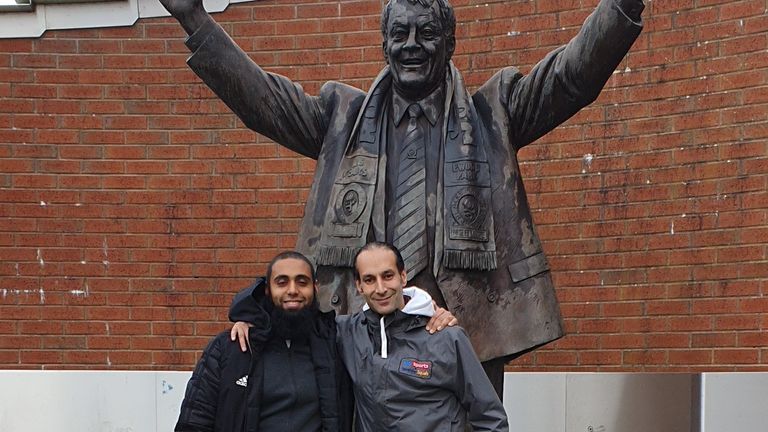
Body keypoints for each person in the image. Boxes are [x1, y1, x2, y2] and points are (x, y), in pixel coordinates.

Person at [159, 0, 645, 395]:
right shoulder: (341, 119)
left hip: (464, 326)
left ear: (450, 43)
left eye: (426, 33)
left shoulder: (493, 112)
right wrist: (195, 18)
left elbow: (570, 77)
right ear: (384, 44)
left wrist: (622, 4)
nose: (412, 45)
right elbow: (261, 101)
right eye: (400, 34)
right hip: (360, 325)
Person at [175, 252, 353, 432]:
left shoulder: (336, 344)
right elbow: (194, 422)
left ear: (315, 288)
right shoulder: (230, 348)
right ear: (267, 290)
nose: (292, 290)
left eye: (302, 282)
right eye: (282, 282)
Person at [341, 242, 509, 431]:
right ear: (359, 286)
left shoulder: (446, 337)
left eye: (387, 276)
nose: (380, 288)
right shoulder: (348, 333)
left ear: (403, 277)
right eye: (370, 279)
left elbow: (490, 417)